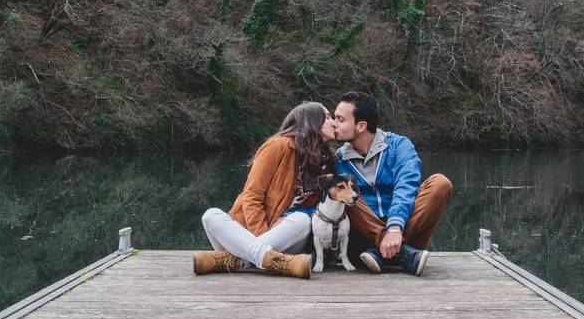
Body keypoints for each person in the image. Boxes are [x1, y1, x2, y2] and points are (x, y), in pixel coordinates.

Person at [193, 101, 336, 279]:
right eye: (328, 117)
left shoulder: (326, 162)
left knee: (302, 220)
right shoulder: (278, 145)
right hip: (250, 233)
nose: (334, 122)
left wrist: (281, 225)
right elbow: (252, 196)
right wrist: (264, 236)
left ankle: (239, 260)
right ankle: (267, 258)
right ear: (311, 121)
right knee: (211, 216)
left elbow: (317, 208)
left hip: (286, 238)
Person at [333, 91, 452, 275]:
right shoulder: (337, 161)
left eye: (340, 119)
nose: (334, 124)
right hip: (361, 241)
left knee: (440, 184)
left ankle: (387, 251)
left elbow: (407, 184)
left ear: (361, 126)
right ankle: (399, 252)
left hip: (403, 230)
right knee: (342, 192)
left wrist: (395, 227)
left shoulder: (399, 146)